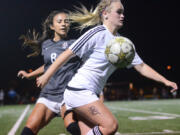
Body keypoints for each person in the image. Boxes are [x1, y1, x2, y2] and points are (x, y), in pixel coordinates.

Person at [36, 0, 178, 134]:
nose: (123, 15)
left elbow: (141, 66)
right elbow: (66, 54)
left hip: (91, 93)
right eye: (119, 12)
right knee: (110, 125)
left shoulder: (124, 44)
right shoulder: (96, 33)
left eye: (123, 12)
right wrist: (46, 75)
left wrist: (166, 81)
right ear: (105, 14)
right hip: (79, 90)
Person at [17, 10, 81, 135]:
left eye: (66, 21)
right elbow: (48, 66)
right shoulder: (46, 45)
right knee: (29, 129)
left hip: (67, 95)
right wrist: (29, 75)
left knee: (73, 127)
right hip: (48, 94)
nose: (63, 24)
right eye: (59, 21)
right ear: (52, 26)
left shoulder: (75, 44)